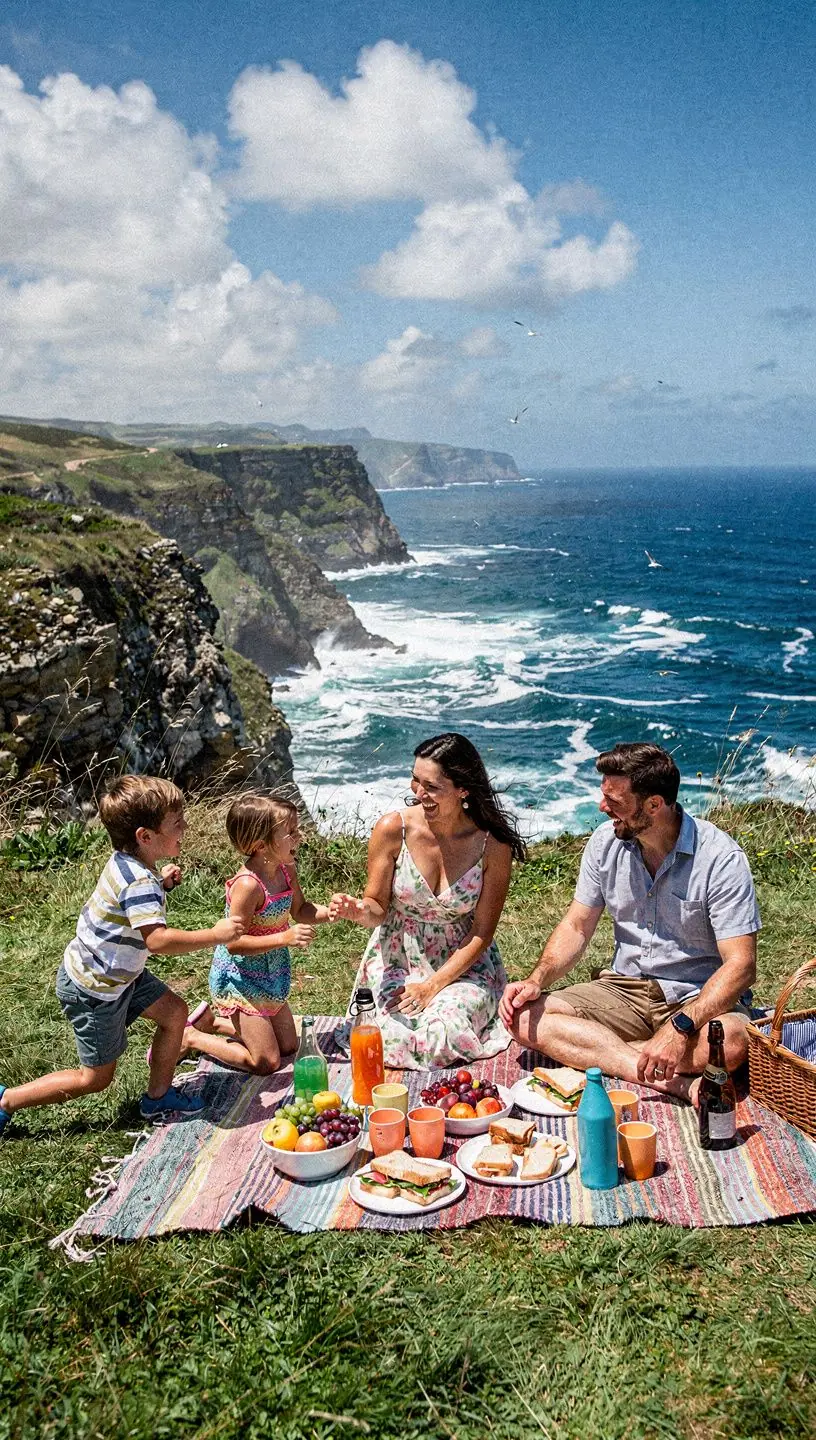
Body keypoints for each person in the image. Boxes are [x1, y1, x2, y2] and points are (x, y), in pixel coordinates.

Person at [499, 742, 760, 1102]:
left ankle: (601, 1049)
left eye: (615, 802)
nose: (602, 807)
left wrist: (680, 1027)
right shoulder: (605, 843)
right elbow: (577, 926)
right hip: (625, 990)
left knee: (733, 1041)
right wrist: (536, 979)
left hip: (696, 997)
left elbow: (741, 965)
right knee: (523, 1017)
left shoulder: (720, 859)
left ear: (654, 804)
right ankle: (671, 1081)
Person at [0, 776, 245, 1138]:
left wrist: (160, 884)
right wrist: (215, 935)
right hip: (95, 989)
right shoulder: (139, 882)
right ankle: (6, 1101)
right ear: (145, 836)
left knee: (175, 1012)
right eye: (176, 823)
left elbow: (130, 905)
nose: (185, 827)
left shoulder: (129, 864)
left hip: (116, 973)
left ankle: (158, 1097)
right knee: (95, 1078)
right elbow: (158, 940)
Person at [330, 733, 526, 1068]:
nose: (418, 794)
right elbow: (376, 909)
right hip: (398, 957)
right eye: (415, 781)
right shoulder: (393, 829)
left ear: (463, 789)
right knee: (384, 1035)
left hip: (463, 964)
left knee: (442, 1034)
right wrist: (358, 910)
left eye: (432, 787)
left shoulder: (492, 845)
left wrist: (432, 986)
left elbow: (481, 932)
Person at [179, 794, 331, 1074]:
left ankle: (211, 1022)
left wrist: (332, 912)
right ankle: (193, 1037)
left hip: (270, 975)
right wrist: (284, 938)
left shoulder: (286, 869)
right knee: (266, 1061)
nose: (299, 837)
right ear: (262, 846)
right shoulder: (248, 885)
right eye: (291, 832)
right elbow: (233, 943)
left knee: (288, 1047)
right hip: (240, 979)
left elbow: (301, 910)